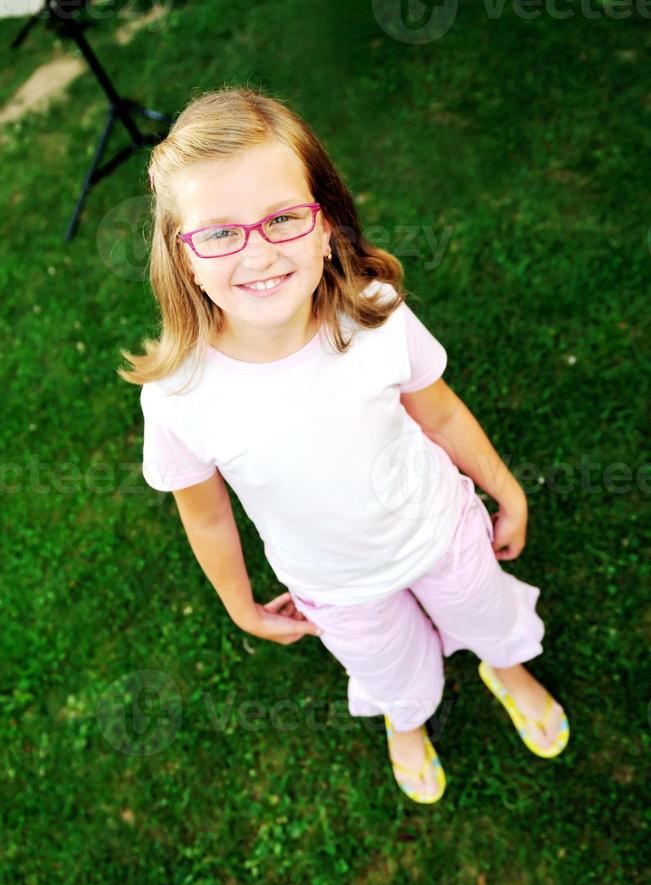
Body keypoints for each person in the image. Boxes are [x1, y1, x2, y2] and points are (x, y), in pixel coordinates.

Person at [118, 85, 569, 806]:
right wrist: (240, 604)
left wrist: (504, 489)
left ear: (323, 223)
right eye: (220, 232)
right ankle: (405, 718)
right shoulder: (178, 397)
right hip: (332, 583)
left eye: (283, 218)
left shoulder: (376, 319)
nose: (258, 252)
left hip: (441, 528)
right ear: (185, 258)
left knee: (486, 613)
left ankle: (505, 667)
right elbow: (204, 515)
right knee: (390, 668)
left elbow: (442, 416)